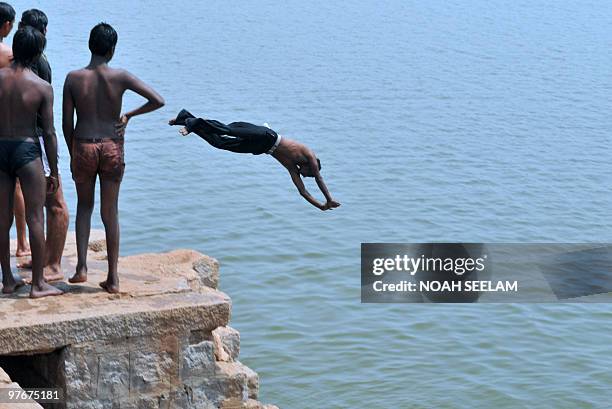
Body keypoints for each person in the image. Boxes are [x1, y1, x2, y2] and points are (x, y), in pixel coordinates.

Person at [64, 23, 164, 293]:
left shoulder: (73, 78)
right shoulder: (121, 76)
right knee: (111, 212)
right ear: (112, 50)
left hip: (83, 144)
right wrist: (129, 115)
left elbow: (66, 122)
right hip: (111, 146)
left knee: (84, 207)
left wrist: (73, 149)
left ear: (90, 46)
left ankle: (81, 268)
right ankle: (113, 278)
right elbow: (158, 100)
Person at [169, 110, 340, 211]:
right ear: (310, 167)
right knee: (227, 130)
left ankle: (186, 117)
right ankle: (192, 123)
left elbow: (303, 192)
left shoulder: (292, 167)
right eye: (307, 175)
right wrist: (329, 197)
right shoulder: (308, 154)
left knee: (220, 143)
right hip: (266, 136)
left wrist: (321, 206)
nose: (304, 176)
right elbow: (319, 178)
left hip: (260, 148)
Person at [0, 26, 62, 297]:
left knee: (2, 219)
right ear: (37, 53)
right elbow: (48, 132)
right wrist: (54, 170)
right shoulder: (42, 87)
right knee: (36, 217)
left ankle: (8, 279)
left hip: (0, 147)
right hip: (27, 150)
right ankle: (38, 284)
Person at [15, 9, 70, 282]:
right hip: (29, 137)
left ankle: (54, 265)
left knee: (54, 200)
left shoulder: (40, 63)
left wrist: (54, 162)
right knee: (39, 200)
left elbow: (43, 114)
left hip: (38, 137)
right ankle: (44, 258)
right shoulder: (28, 59)